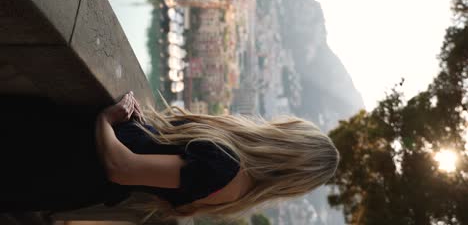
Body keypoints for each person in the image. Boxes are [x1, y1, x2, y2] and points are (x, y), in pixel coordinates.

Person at [0, 92, 339, 218]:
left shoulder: (226, 166)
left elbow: (122, 167)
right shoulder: (236, 185)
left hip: (63, 158)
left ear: (289, 144)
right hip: (69, 179)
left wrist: (106, 118)